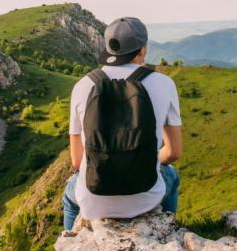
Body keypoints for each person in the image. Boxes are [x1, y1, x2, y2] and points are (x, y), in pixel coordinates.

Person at [62, 16, 183, 231]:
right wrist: (144, 158)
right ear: (142, 50)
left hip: (94, 199)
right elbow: (174, 153)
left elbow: (77, 161)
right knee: (171, 175)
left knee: (69, 198)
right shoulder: (165, 84)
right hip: (146, 198)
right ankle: (167, 229)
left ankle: (71, 236)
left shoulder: (82, 86)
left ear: (108, 48)